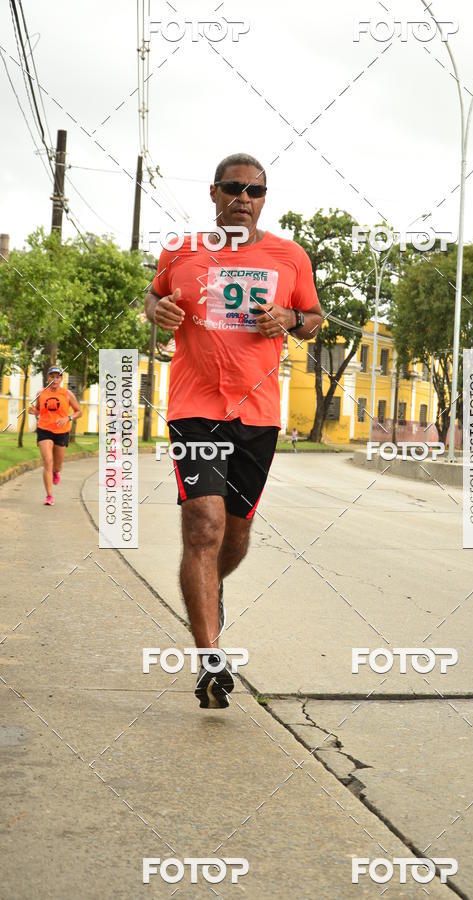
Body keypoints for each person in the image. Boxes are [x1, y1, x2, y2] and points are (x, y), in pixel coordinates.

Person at [145, 153, 323, 709]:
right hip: (195, 406)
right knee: (204, 523)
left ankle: (209, 588)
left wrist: (291, 320)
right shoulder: (182, 250)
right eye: (233, 188)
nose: (244, 198)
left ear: (264, 199)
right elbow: (153, 295)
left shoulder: (290, 257)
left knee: (236, 533)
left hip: (259, 413)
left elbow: (315, 317)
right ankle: (209, 659)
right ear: (214, 193)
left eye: (255, 191)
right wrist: (157, 311)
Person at [28, 366, 82, 506]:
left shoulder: (67, 394)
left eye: (57, 377)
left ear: (61, 379)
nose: (54, 379)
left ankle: (56, 472)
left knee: (57, 466)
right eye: (52, 376)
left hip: (62, 431)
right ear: (48, 378)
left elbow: (79, 412)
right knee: (47, 461)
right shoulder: (41, 393)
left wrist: (68, 418)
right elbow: (39, 410)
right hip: (44, 429)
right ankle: (49, 496)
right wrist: (34, 411)